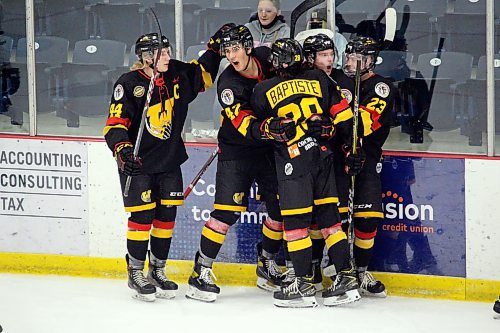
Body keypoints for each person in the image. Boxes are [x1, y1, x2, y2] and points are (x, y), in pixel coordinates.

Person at [103, 26, 229, 302]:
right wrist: (123, 150)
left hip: (169, 161)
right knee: (142, 217)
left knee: (166, 218)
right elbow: (114, 125)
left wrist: (214, 49)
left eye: (169, 50)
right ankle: (136, 271)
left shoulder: (175, 75)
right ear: (147, 57)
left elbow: (201, 73)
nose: (168, 56)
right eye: (163, 53)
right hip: (138, 163)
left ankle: (157, 269)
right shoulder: (129, 83)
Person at [185, 25, 291, 303]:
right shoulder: (228, 83)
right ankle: (201, 270)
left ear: (248, 47)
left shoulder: (268, 58)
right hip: (238, 151)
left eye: (235, 48)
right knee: (226, 212)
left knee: (281, 207)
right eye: (227, 50)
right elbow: (244, 123)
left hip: (269, 149)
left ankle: (266, 263)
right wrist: (269, 127)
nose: (231, 55)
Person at [251, 38, 359, 308]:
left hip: (293, 162)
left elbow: (257, 131)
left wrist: (267, 127)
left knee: (296, 226)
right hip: (323, 157)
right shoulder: (319, 78)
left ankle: (302, 284)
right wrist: (349, 146)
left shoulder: (263, 89)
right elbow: (345, 118)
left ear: (276, 63)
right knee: (330, 223)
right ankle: (346, 277)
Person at [330, 36, 396, 297]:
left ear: (370, 61)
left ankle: (360, 271)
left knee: (366, 220)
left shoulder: (382, 87)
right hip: (339, 159)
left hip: (366, 159)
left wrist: (344, 118)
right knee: (339, 220)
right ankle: (340, 270)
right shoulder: (338, 82)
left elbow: (364, 123)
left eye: (357, 58)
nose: (350, 62)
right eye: (348, 56)